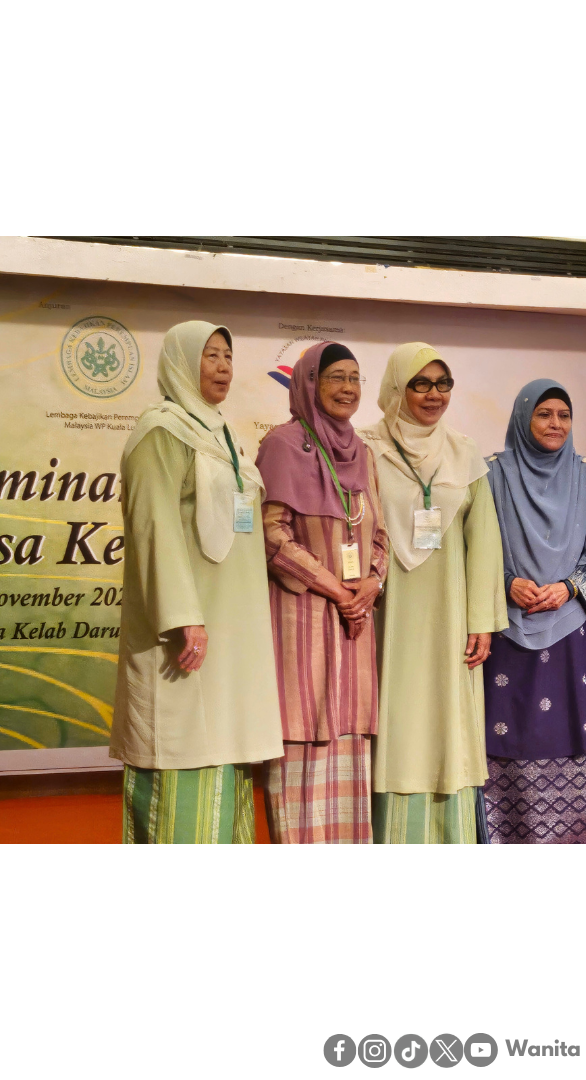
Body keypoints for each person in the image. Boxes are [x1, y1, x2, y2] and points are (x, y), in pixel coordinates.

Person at [110, 321, 283, 843]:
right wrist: (183, 616)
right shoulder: (160, 432)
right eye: (210, 355)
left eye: (228, 356)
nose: (223, 367)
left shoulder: (222, 436)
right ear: (181, 363)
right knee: (182, 743)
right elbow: (154, 526)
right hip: (185, 631)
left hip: (229, 626)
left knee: (224, 746)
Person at [359, 342, 507, 843]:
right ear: (396, 388)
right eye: (420, 384)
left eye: (443, 384)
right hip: (387, 610)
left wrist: (482, 620)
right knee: (394, 714)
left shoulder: (464, 452)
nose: (434, 394)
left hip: (449, 613)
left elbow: (483, 541)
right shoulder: (365, 448)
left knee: (447, 718)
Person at [483, 381, 586, 843]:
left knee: (566, 737)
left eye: (564, 415)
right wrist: (506, 583)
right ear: (522, 417)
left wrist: (570, 588)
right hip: (506, 630)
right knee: (502, 737)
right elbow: (468, 551)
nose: (555, 424)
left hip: (568, 631)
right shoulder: (491, 474)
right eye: (544, 414)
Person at [255, 342, 388, 843]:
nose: (347, 389)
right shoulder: (283, 445)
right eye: (335, 377)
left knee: (349, 750)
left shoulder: (364, 453)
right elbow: (271, 534)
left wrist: (371, 583)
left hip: (354, 629)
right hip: (304, 622)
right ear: (308, 383)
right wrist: (336, 589)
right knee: (303, 745)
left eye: (355, 378)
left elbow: (381, 535)